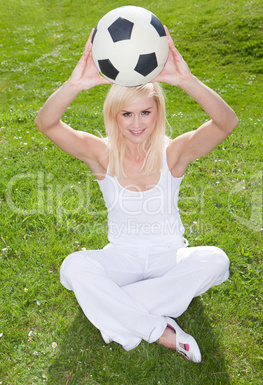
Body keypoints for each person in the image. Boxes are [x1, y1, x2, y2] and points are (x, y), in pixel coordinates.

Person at [35, 27, 238, 363]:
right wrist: (75, 85)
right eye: (126, 113)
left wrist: (186, 80)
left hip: (168, 257)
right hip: (123, 257)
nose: (136, 123)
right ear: (114, 116)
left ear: (157, 112)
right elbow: (47, 123)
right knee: (73, 268)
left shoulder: (173, 153)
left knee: (216, 261)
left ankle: (113, 307)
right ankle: (159, 331)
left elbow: (226, 122)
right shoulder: (101, 153)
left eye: (146, 112)